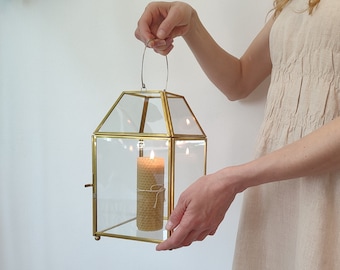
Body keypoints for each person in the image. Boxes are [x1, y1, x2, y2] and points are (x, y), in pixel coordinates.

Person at [135, 1, 340, 269]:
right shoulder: (295, 3)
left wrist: (232, 180)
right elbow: (239, 81)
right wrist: (191, 24)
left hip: (328, 190)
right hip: (278, 191)